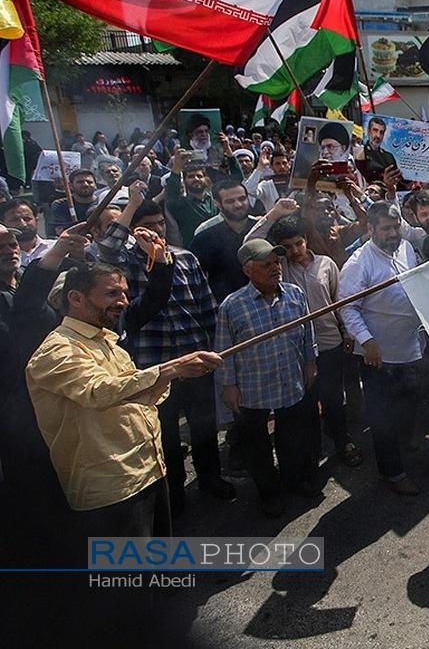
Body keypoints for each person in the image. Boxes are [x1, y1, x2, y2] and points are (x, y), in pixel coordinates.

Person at [25, 263, 222, 547]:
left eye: (125, 293)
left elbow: (137, 396)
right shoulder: (57, 351)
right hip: (111, 490)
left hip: (148, 472)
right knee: (127, 572)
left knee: (155, 563)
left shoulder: (108, 343)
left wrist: (173, 373)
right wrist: (171, 368)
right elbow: (98, 392)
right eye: (112, 293)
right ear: (76, 298)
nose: (124, 301)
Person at [97, 183, 235, 515]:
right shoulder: (124, 264)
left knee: (204, 426)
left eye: (160, 224)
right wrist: (131, 206)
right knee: (165, 434)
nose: (157, 231)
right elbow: (106, 249)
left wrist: (214, 350)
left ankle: (210, 478)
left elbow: (207, 307)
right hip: (154, 365)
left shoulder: (185, 257)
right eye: (148, 226)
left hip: (194, 356)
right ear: (134, 231)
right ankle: (173, 491)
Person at [248, 201, 363, 467]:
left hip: (329, 343)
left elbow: (339, 302)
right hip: (294, 349)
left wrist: (347, 334)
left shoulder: (326, 265)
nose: (294, 251)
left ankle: (342, 441)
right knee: (304, 404)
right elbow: (250, 244)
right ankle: (312, 452)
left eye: (298, 243)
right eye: (287, 247)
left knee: (333, 399)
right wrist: (273, 215)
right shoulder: (279, 268)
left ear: (306, 240)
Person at [214, 239, 320, 517]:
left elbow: (307, 331)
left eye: (276, 263)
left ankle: (294, 481)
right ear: (248, 271)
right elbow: (224, 350)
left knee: (293, 437)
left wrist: (311, 362)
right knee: (256, 446)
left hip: (291, 380)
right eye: (266, 265)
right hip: (253, 387)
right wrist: (229, 386)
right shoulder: (232, 306)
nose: (275, 268)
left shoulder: (295, 294)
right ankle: (269, 493)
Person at [339, 201, 427, 495]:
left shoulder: (405, 248)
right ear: (371, 228)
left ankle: (404, 445)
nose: (393, 234)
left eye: (396, 227)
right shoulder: (358, 264)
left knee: (409, 401)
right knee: (383, 417)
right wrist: (367, 342)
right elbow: (348, 308)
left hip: (410, 347)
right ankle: (393, 473)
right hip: (378, 356)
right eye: (386, 228)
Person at [191, 179, 258, 304]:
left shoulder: (261, 228)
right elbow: (197, 278)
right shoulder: (204, 236)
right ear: (217, 203)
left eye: (242, 199)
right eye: (230, 201)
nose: (238, 205)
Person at [165, 152, 219, 249]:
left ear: (206, 179)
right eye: (191, 176)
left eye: (199, 176)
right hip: (195, 250)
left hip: (218, 247)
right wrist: (177, 166)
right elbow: (171, 193)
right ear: (185, 181)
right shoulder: (181, 204)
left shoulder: (215, 200)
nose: (196, 179)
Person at [0, 198, 52, 267]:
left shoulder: (56, 248)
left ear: (36, 220)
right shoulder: (4, 256)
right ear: (3, 223)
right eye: (15, 220)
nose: (23, 224)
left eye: (27, 219)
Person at [47, 168, 98, 235]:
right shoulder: (60, 205)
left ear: (95, 185)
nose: (85, 184)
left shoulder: (103, 204)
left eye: (89, 182)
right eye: (80, 182)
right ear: (71, 186)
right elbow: (58, 230)